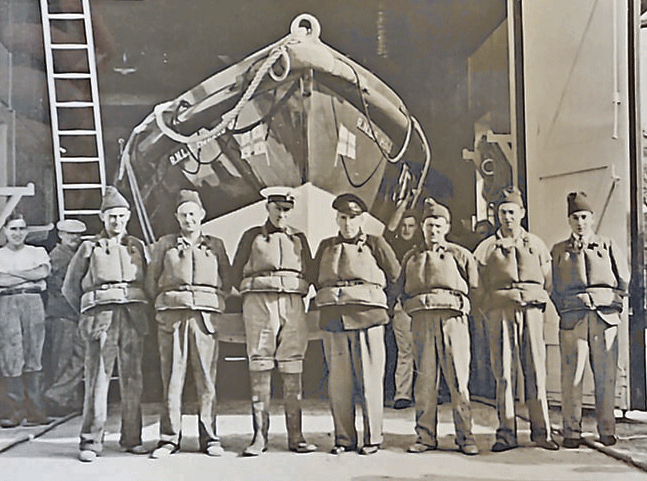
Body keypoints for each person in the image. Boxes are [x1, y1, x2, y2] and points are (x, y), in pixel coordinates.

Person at [62, 186, 149, 462]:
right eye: (111, 216)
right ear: (102, 218)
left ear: (128, 216)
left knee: (133, 379)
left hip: (132, 318)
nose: (117, 221)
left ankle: (132, 439)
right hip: (101, 319)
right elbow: (69, 287)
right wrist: (88, 312)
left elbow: (148, 281)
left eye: (121, 216)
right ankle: (91, 441)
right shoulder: (89, 248)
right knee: (98, 381)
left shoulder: (137, 246)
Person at [312, 193, 400, 455]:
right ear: (336, 219)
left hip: (368, 319)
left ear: (361, 219)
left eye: (352, 218)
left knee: (370, 382)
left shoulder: (376, 243)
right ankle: (344, 438)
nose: (347, 223)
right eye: (342, 217)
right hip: (334, 322)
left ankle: (373, 438)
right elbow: (315, 278)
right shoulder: (326, 246)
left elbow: (397, 277)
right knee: (339, 385)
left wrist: (383, 306)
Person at [231, 186, 316, 456]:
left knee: (293, 364)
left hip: (292, 304)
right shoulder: (252, 236)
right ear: (267, 208)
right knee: (260, 363)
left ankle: (296, 435)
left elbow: (311, 273)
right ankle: (259, 435)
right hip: (259, 304)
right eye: (277, 209)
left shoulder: (299, 238)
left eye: (287, 210)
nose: (282, 215)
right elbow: (234, 273)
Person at [146, 190, 231, 458]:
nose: (188, 219)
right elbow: (151, 281)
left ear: (202, 215)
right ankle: (169, 439)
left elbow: (226, 280)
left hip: (205, 318)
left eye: (193, 214)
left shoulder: (215, 245)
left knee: (207, 379)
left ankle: (210, 438)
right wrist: (169, 302)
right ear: (176, 217)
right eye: (183, 215)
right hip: (172, 317)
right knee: (172, 378)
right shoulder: (165, 245)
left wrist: (210, 301)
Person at [473, 186, 559, 452]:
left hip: (531, 311)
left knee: (536, 370)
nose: (507, 217)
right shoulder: (486, 248)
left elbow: (548, 280)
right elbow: (477, 285)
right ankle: (506, 433)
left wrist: (533, 298)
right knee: (504, 373)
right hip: (500, 312)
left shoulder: (536, 245)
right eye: (503, 212)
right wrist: (489, 308)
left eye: (512, 212)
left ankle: (541, 432)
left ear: (522, 213)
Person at [397, 198, 479, 455]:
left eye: (438, 225)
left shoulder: (460, 254)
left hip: (453, 320)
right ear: (422, 227)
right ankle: (425, 436)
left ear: (447, 227)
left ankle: (465, 437)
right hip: (422, 321)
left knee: (458, 380)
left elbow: (476, 288)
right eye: (429, 225)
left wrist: (462, 309)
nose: (433, 230)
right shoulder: (411, 257)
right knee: (425, 382)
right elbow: (400, 289)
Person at [551, 192, 629, 448]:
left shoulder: (607, 246)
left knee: (606, 377)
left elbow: (624, 280)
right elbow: (553, 286)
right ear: (569, 220)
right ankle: (571, 432)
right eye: (575, 217)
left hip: (604, 319)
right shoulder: (560, 251)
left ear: (592, 218)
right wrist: (566, 309)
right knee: (571, 377)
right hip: (573, 320)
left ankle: (607, 429)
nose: (580, 222)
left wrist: (612, 304)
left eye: (584, 217)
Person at [0, 213, 51, 428]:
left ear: (27, 231)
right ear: (5, 231)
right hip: (7, 303)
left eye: (21, 229)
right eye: (13, 229)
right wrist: (29, 276)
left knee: (34, 353)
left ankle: (35, 411)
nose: (18, 233)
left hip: (33, 302)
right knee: (11, 355)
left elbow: (43, 272)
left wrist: (11, 276)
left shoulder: (37, 251)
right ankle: (15, 411)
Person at [42, 219, 87, 416]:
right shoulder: (58, 256)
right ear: (61, 235)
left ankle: (62, 397)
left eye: (78, 235)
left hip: (72, 314)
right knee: (62, 358)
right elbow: (57, 288)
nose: (75, 238)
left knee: (76, 356)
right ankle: (56, 398)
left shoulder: (74, 254)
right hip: (62, 314)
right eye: (70, 234)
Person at [383, 205, 423, 410]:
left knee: (425, 350)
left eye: (411, 225)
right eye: (403, 226)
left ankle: (427, 393)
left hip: (422, 304)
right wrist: (401, 206)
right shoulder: (394, 247)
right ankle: (402, 394)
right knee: (405, 350)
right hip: (402, 304)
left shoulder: (423, 247)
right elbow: (387, 234)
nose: (407, 229)